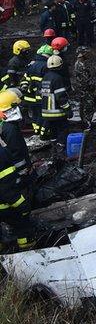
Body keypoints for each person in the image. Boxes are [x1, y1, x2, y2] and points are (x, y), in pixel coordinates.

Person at [0, 90, 33, 251]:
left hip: (6, 190)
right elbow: (16, 155)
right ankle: (27, 249)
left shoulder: (5, 127)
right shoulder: (10, 130)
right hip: (8, 193)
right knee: (22, 221)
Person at [39, 54, 71, 145]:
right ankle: (61, 147)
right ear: (60, 66)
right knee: (63, 130)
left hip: (46, 112)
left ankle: (54, 148)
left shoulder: (45, 77)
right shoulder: (57, 78)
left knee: (53, 131)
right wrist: (68, 109)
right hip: (57, 112)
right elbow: (60, 97)